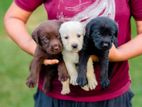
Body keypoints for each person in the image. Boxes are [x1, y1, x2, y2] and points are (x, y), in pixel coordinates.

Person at [4, 0, 142, 107]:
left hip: (112, 94)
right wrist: (36, 49)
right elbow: (14, 17)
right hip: (56, 92)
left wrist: (118, 54)